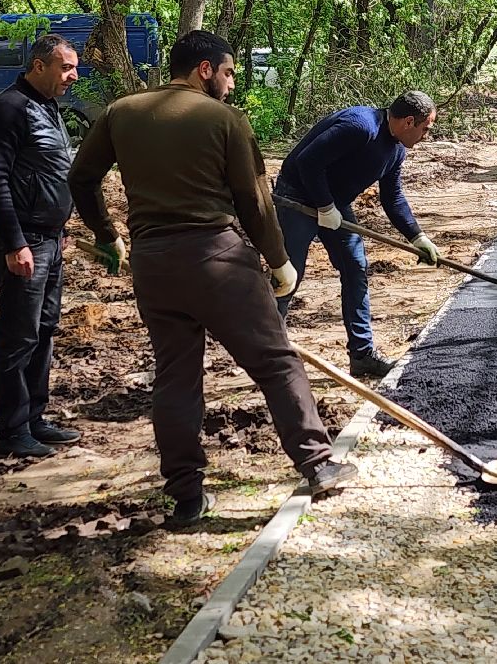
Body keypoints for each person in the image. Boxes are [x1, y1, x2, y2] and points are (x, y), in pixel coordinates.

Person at [68, 30, 354, 525]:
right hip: (215, 258)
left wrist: (105, 233)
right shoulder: (224, 119)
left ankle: (186, 496)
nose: (231, 85)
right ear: (205, 70)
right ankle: (319, 463)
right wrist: (279, 259)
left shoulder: (122, 112)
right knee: (275, 361)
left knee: (176, 377)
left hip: (153, 264)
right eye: (228, 74)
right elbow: (253, 198)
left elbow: (81, 177)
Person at [273, 92, 439, 379]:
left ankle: (362, 355)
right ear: (409, 121)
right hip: (297, 197)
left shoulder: (396, 149)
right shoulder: (360, 127)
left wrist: (417, 237)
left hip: (334, 205)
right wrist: (324, 205)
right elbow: (306, 162)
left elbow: (393, 197)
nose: (426, 136)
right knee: (289, 275)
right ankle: (270, 355)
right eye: (425, 128)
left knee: (355, 268)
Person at [0, 33, 83, 458]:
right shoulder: (9, 109)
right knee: (17, 337)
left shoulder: (48, 107)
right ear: (38, 66)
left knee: (44, 331)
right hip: (23, 243)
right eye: (65, 67)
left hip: (50, 240)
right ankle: (12, 429)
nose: (72, 76)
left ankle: (35, 418)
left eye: (74, 67)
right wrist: (14, 242)